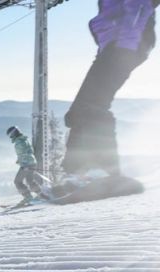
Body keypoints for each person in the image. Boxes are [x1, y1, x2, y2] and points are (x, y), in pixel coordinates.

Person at [62, 0, 158, 180]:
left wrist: (125, 47)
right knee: (76, 112)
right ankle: (74, 173)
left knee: (93, 106)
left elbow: (139, 6)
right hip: (114, 46)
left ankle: (105, 171)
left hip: (127, 44)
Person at [7, 126, 44, 202]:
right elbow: (28, 151)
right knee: (30, 181)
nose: (10, 137)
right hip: (31, 162)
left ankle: (28, 197)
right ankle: (40, 194)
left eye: (10, 135)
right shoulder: (23, 139)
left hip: (26, 164)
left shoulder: (20, 142)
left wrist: (25, 164)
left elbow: (26, 153)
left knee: (17, 181)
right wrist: (20, 161)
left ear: (14, 133)